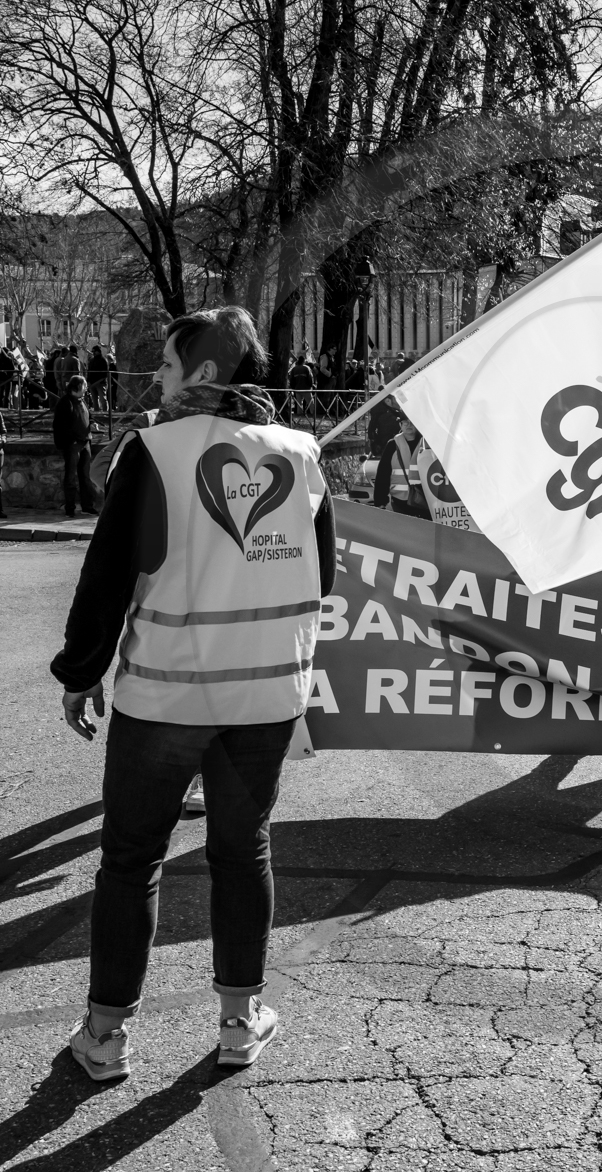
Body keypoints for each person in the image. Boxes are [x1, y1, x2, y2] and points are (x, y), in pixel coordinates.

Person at [50, 306, 337, 1081]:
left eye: (168, 366)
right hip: (266, 695)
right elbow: (324, 574)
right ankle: (241, 1023)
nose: (155, 379)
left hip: (167, 694)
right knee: (243, 854)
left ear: (205, 372)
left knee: (130, 860)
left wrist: (81, 671)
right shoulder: (302, 451)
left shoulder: (154, 450)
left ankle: (106, 1038)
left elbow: (107, 575)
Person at [53, 375, 98, 517]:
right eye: (84, 386)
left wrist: (92, 423)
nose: (86, 389)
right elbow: (60, 425)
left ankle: (87, 506)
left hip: (85, 442)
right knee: (71, 477)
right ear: (77, 387)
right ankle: (70, 508)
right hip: (72, 444)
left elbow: (88, 416)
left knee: (85, 476)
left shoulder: (82, 400)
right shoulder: (65, 403)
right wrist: (70, 440)